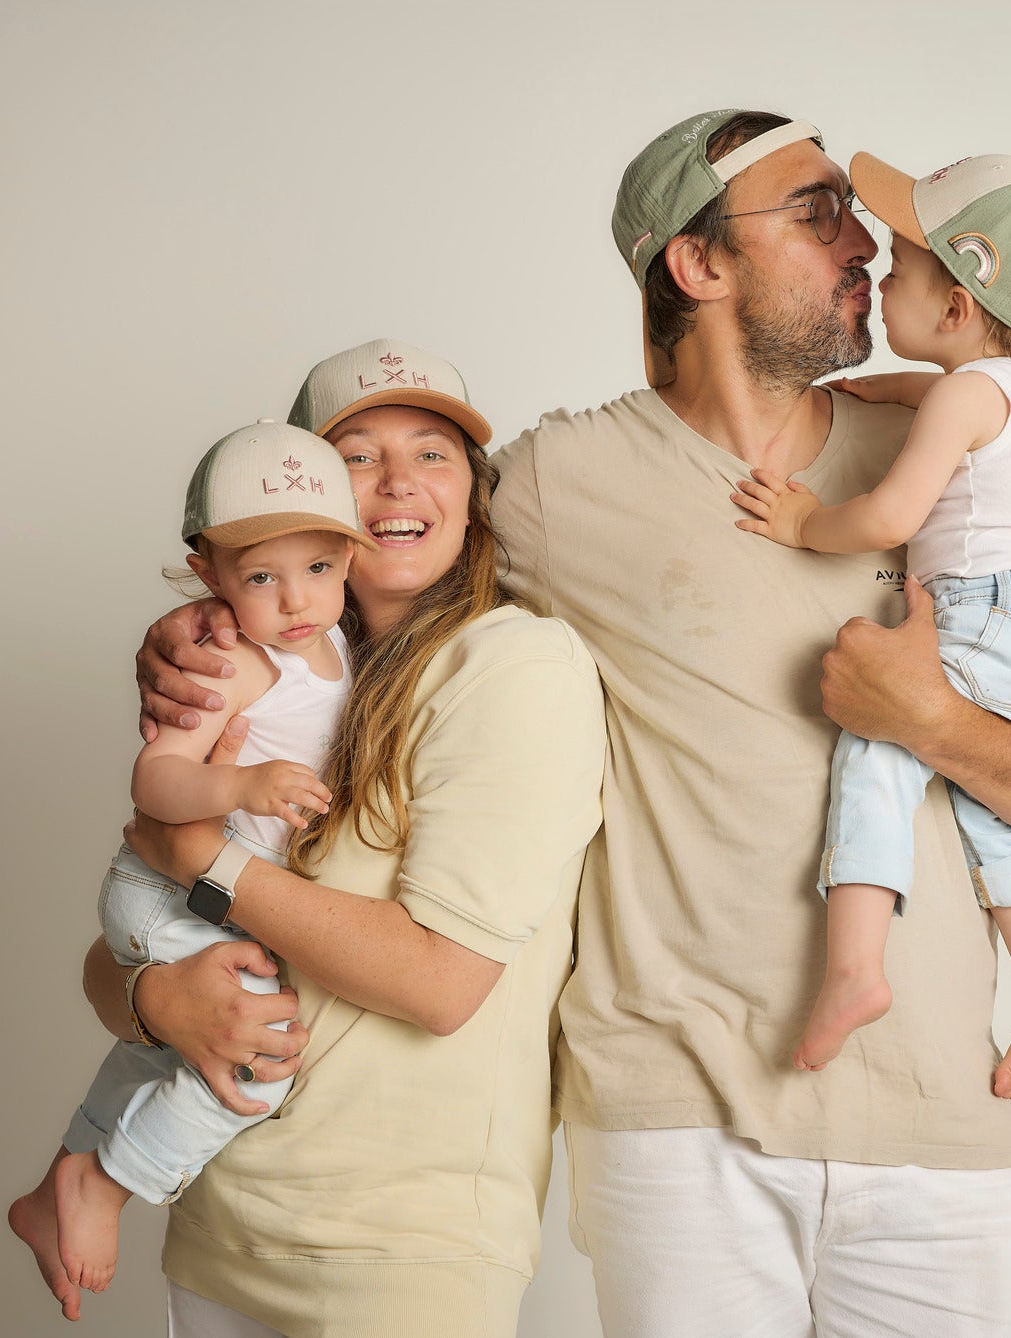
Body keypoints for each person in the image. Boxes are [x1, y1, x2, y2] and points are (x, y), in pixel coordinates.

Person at [142, 109, 1011, 1338]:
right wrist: (204, 639)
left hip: (942, 1113)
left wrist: (927, 718)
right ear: (696, 265)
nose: (866, 243)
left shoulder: (939, 456)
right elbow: (353, 555)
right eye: (816, 210)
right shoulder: (556, 484)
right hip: (673, 1124)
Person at [57, 340, 606, 1338]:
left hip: (401, 1244)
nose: (397, 481)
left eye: (434, 453)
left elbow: (440, 984)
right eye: (357, 453)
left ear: (474, 493)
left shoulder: (515, 665)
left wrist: (205, 863)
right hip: (226, 1217)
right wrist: (156, 998)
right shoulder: (265, 682)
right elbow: (117, 956)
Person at [730, 150, 1011, 1099]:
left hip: (996, 621)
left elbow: (893, 519)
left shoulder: (967, 399)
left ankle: (856, 968)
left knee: (878, 744)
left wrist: (806, 523)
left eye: (900, 270)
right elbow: (946, 403)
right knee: (990, 811)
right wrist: (880, 391)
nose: (878, 278)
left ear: (954, 309)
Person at [8, 419, 368, 1308]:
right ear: (209, 575)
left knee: (167, 1049)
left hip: (208, 903)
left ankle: (54, 1189)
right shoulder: (234, 665)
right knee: (258, 1059)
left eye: (317, 569)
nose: (295, 601)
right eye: (260, 578)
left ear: (349, 559)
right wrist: (243, 784)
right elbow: (156, 777)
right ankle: (102, 1185)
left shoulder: (336, 645)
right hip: (170, 894)